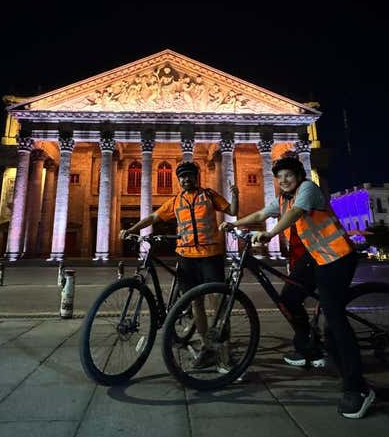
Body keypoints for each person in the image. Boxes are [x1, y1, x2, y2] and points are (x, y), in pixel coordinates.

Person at [219, 156, 375, 419]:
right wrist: (235, 223)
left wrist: (270, 233)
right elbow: (261, 213)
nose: (283, 181)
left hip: (337, 257)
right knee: (289, 298)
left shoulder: (308, 189)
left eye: (288, 175)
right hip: (316, 256)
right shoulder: (283, 198)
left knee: (334, 320)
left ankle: (358, 388)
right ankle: (308, 348)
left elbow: (296, 214)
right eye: (279, 177)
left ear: (299, 175)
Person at [120, 161, 239, 369]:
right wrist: (133, 229)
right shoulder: (176, 201)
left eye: (189, 175)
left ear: (196, 177)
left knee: (217, 303)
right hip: (186, 257)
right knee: (196, 303)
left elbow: (233, 210)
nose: (186, 179)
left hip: (210, 255)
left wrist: (235, 195)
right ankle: (206, 347)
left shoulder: (209, 195)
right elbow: (153, 217)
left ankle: (224, 349)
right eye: (182, 177)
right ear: (179, 180)